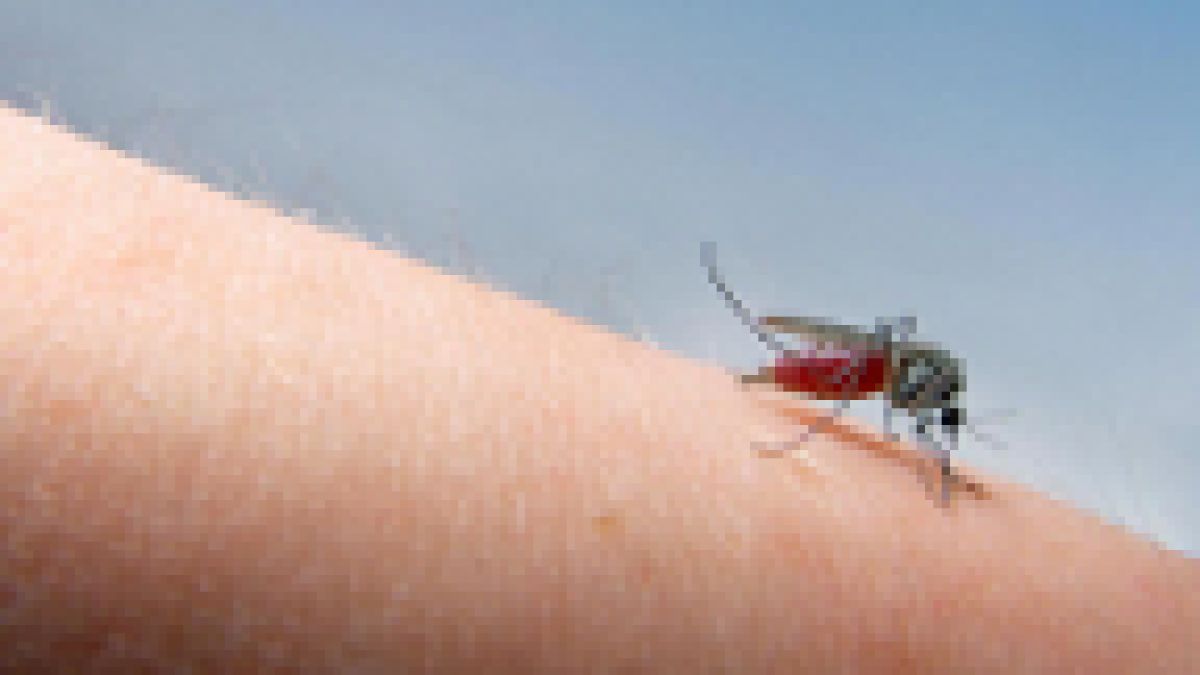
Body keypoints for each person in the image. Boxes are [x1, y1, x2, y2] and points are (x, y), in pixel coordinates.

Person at [0, 103, 1195, 673]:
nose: (939, 432)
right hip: (858, 363)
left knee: (863, 367)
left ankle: (770, 367)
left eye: (940, 427)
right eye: (941, 423)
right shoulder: (908, 383)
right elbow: (896, 372)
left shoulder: (931, 393)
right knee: (861, 363)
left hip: (868, 368)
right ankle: (770, 366)